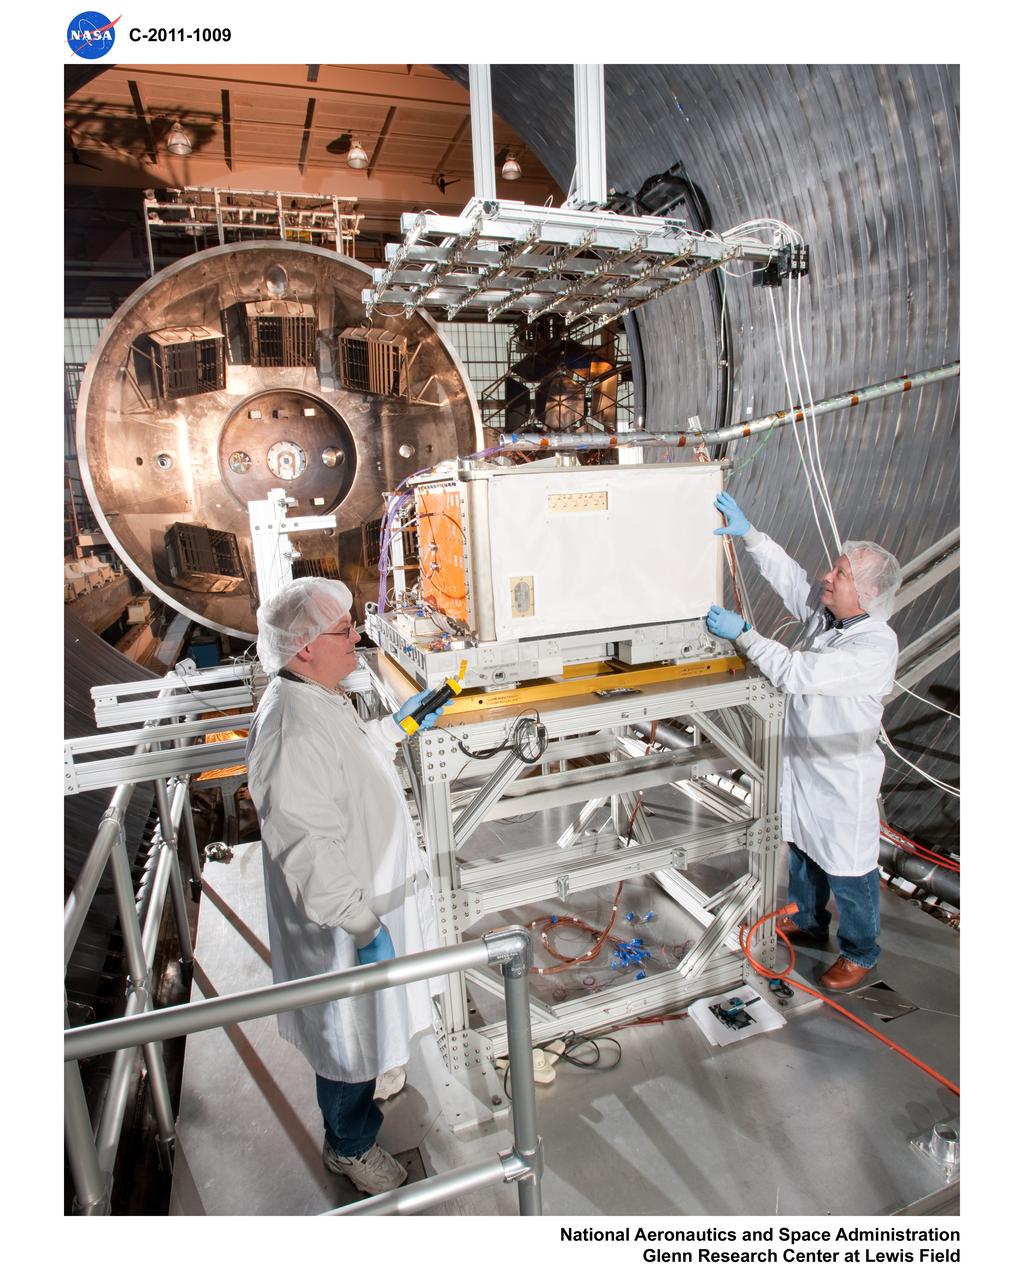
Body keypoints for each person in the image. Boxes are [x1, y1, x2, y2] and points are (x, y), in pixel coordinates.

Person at [246, 577, 451, 1194]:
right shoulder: (292, 727)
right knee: (345, 1035)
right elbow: (308, 844)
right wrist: (361, 925)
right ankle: (348, 1144)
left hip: (363, 901)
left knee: (366, 1026)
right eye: (345, 630)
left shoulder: (314, 695)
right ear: (304, 645)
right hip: (343, 922)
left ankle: (370, 1086)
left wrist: (398, 729)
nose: (358, 639)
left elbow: (351, 762)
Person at [704, 492, 901, 993]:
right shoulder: (828, 616)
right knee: (803, 850)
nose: (825, 578)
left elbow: (795, 671)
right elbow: (790, 576)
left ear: (868, 593)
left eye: (839, 574)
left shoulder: (873, 646)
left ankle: (860, 951)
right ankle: (810, 920)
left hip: (841, 776)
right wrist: (749, 534)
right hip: (805, 766)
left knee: (849, 870)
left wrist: (745, 635)